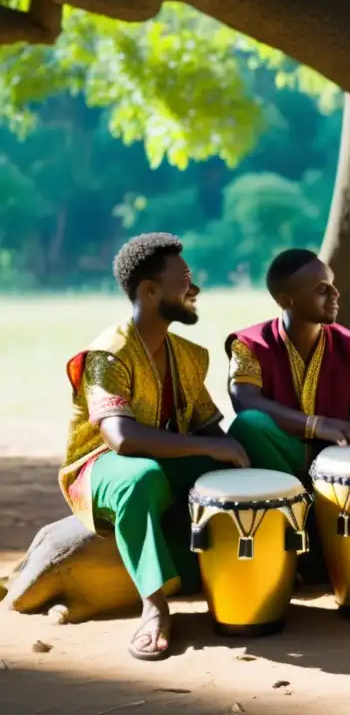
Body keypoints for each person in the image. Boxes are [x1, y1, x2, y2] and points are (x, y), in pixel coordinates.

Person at [62, 233, 250, 662]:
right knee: (141, 477)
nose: (195, 288)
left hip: (159, 460)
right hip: (102, 466)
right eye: (184, 279)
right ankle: (154, 607)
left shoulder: (186, 354)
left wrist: (241, 463)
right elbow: (122, 440)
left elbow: (206, 427)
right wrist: (214, 452)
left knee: (244, 446)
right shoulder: (107, 354)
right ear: (149, 291)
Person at [226, 249, 350, 480]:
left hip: (337, 459)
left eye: (333, 285)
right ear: (287, 300)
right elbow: (245, 400)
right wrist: (317, 425)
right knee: (249, 423)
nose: (335, 294)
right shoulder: (250, 344)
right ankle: (295, 501)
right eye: (322, 289)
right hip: (280, 454)